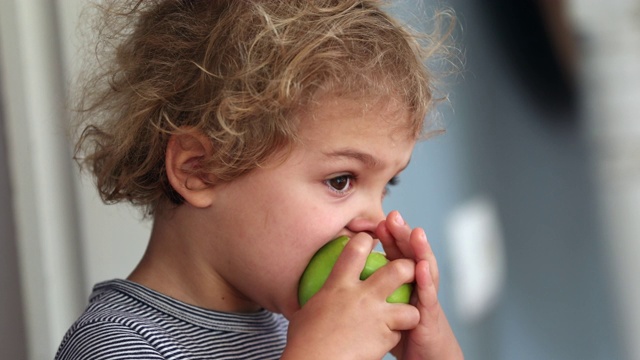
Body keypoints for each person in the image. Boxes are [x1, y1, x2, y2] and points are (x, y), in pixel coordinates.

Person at [56, 0, 463, 359]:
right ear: (199, 169)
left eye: (387, 185)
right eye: (341, 180)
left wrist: (431, 352)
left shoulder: (306, 321)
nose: (375, 223)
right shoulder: (118, 344)